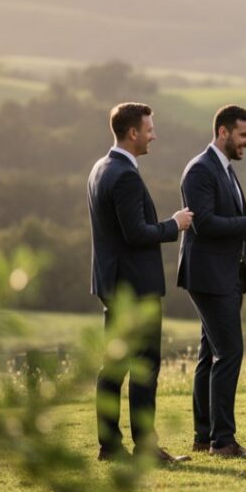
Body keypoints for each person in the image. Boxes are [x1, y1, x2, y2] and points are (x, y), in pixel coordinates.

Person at [87, 101, 193, 463]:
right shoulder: (126, 175)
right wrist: (174, 225)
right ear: (133, 133)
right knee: (144, 366)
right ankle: (145, 447)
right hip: (134, 287)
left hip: (111, 283)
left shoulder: (100, 168)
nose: (153, 135)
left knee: (113, 366)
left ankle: (110, 446)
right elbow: (135, 234)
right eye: (149, 129)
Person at [178, 105, 246, 458]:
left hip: (226, 275)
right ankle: (223, 441)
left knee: (210, 355)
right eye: (244, 135)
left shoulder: (224, 169)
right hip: (209, 276)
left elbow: (230, 220)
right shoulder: (200, 170)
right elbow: (204, 223)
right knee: (230, 352)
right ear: (223, 132)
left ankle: (204, 436)